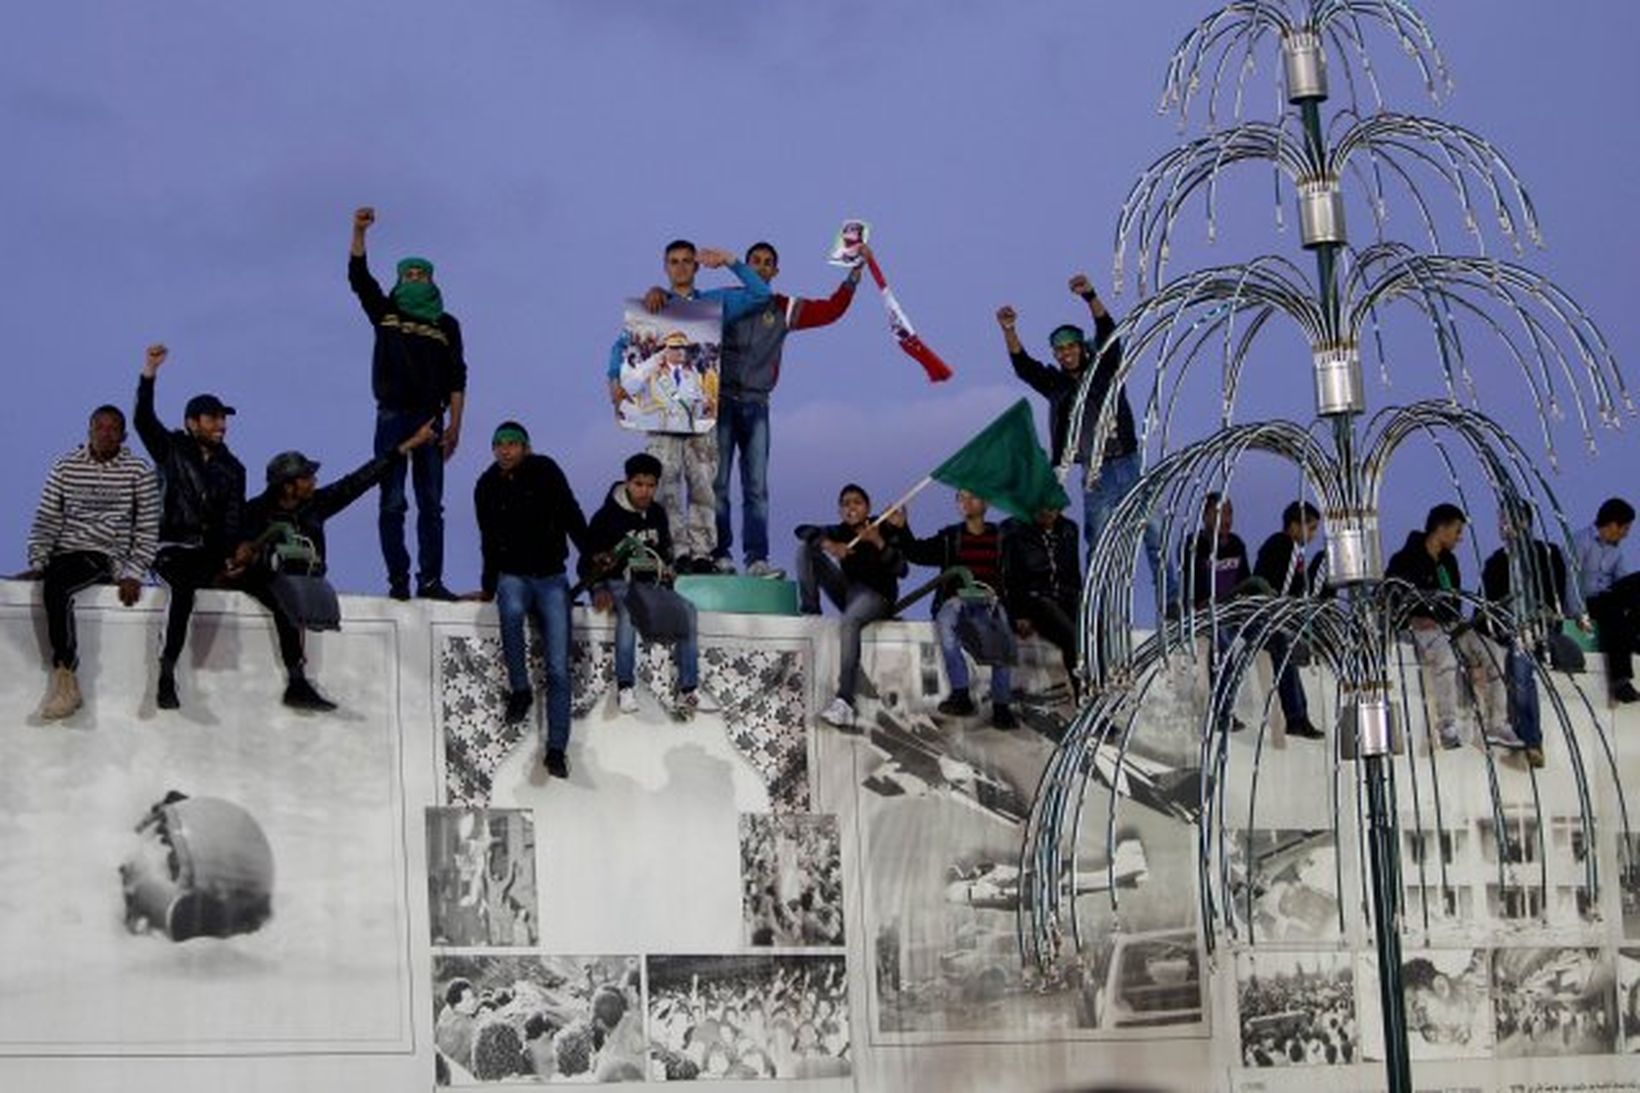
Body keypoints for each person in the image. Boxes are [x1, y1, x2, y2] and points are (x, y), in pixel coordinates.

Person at [999, 275, 1175, 604]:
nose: (1065, 354)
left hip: (1127, 460)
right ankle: (1100, 604)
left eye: (1070, 347)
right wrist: (1009, 330)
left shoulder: (1105, 369)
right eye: (1059, 350)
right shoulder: (1056, 385)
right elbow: (1024, 367)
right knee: (1100, 538)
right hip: (1093, 471)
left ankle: (1172, 598)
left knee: (1154, 528)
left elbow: (1109, 331)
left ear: (1082, 348)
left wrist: (1090, 296)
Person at [239, 421, 436, 711]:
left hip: (306, 581)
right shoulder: (254, 512)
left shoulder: (316, 505)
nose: (313, 482)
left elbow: (359, 481)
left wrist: (405, 447)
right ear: (288, 485)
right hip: (266, 581)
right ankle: (297, 682)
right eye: (306, 477)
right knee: (283, 600)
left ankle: (298, 683)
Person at [607, 239, 770, 572]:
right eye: (674, 261)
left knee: (703, 485)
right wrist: (615, 383)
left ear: (696, 267)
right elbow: (623, 346)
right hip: (661, 410)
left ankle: (701, 552)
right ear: (665, 267)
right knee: (665, 483)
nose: (680, 267)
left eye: (686, 261)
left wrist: (729, 260)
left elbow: (760, 295)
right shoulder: (654, 305)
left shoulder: (714, 304)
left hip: (699, 412)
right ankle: (675, 549)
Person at [711, 241, 864, 578]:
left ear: (775, 272)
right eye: (755, 262)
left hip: (756, 404)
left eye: (768, 263)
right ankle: (719, 554)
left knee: (756, 488)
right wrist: (658, 295)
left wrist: (853, 278)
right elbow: (686, 306)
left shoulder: (783, 308)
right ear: (746, 266)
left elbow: (830, 311)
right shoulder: (725, 298)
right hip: (719, 402)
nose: (761, 267)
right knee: (717, 484)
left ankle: (756, 559)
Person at [348, 205, 466, 601]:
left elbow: (457, 376)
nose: (415, 279)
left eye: (421, 274)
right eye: (408, 274)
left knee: (431, 503)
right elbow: (359, 279)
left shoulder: (446, 324)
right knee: (392, 502)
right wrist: (359, 232)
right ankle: (398, 581)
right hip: (392, 417)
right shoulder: (387, 313)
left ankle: (430, 580)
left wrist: (455, 426)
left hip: (432, 419)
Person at [25, 404, 160, 719]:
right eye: (99, 427)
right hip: (64, 553)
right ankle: (66, 681)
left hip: (105, 554)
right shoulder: (65, 466)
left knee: (57, 583)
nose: (105, 433)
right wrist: (39, 561)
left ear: (123, 436)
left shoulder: (138, 470)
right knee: (54, 581)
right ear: (89, 431)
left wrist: (133, 572)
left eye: (113, 428)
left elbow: (147, 527)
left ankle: (65, 677)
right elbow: (46, 519)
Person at [132, 343, 247, 710]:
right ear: (192, 422)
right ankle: (167, 673)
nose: (221, 425)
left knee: (264, 584)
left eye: (223, 419)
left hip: (209, 554)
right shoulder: (171, 449)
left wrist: (231, 557)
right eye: (212, 418)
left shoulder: (234, 469)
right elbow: (142, 420)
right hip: (171, 548)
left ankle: (295, 679)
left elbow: (232, 520)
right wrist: (150, 372)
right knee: (181, 591)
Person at [474, 421, 588, 779]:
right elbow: (488, 539)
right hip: (513, 574)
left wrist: (590, 554)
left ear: (526, 446)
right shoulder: (486, 485)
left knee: (558, 667)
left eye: (512, 444)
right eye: (499, 445)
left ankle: (556, 749)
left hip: (552, 576)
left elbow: (570, 512)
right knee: (508, 609)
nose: (505, 450)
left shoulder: (545, 470)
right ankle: (519, 689)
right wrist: (487, 584)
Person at [1385, 503, 1517, 751]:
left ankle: (1497, 723)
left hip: (1450, 625)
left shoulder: (1449, 562)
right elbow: (1390, 597)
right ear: (1441, 528)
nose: (1460, 538)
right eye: (1457, 531)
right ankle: (1447, 725)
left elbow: (1454, 600)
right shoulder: (1405, 559)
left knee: (1495, 653)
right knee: (1445, 658)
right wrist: (1413, 620)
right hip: (1421, 629)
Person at [581, 452, 700, 717]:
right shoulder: (606, 516)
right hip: (617, 583)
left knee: (688, 610)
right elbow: (586, 560)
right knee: (629, 612)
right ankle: (626, 685)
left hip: (650, 585)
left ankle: (688, 688)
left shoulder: (657, 514)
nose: (645, 491)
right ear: (627, 482)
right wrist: (597, 588)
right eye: (639, 485)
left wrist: (668, 572)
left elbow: (663, 553)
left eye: (650, 486)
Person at [894, 489, 1017, 729]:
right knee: (946, 624)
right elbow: (917, 553)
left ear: (986, 502)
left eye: (973, 496)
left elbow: (1018, 572)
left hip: (991, 601)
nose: (966, 502)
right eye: (961, 497)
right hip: (958, 600)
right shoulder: (951, 537)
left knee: (1003, 641)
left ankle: (1001, 706)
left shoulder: (1003, 538)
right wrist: (902, 527)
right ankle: (961, 694)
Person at [794, 483, 910, 728]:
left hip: (878, 597)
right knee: (806, 548)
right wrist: (829, 545)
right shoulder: (839, 531)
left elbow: (903, 570)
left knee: (849, 621)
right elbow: (802, 529)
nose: (851, 507)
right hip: (849, 593)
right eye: (845, 504)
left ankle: (845, 701)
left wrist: (878, 541)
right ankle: (811, 612)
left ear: (867, 507)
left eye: (856, 502)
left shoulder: (884, 526)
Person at [1477, 500, 1566, 768]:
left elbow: (1556, 598)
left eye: (1509, 521)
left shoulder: (1546, 554)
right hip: (1506, 629)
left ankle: (1530, 739)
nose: (1504, 527)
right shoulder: (1496, 561)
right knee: (1513, 658)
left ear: (1525, 523)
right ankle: (1522, 735)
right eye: (1501, 521)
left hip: (1538, 627)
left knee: (1520, 661)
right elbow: (1485, 604)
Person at [1251, 500, 1325, 740]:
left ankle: (1299, 715)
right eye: (1311, 528)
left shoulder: (1283, 546)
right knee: (1285, 656)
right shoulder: (1286, 547)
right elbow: (1284, 587)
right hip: (1271, 616)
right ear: (1295, 526)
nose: (1313, 535)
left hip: (1274, 614)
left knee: (1288, 658)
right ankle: (1296, 717)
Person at [1001, 506, 1083, 689]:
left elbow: (1073, 573)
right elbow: (1008, 576)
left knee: (1097, 631)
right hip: (1034, 599)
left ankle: (1103, 693)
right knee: (1072, 638)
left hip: (1066, 597)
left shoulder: (1069, 529)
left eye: (1054, 506)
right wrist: (1018, 614)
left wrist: (1083, 602)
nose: (1048, 512)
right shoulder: (1013, 529)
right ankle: (1084, 699)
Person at [1571, 496, 1639, 704]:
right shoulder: (1581, 541)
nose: (1627, 534)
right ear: (1613, 525)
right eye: (1625, 528)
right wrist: (1576, 612)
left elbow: (1623, 580)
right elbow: (1571, 579)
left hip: (1608, 598)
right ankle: (1619, 680)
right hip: (1589, 602)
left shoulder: (1615, 550)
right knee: (1614, 613)